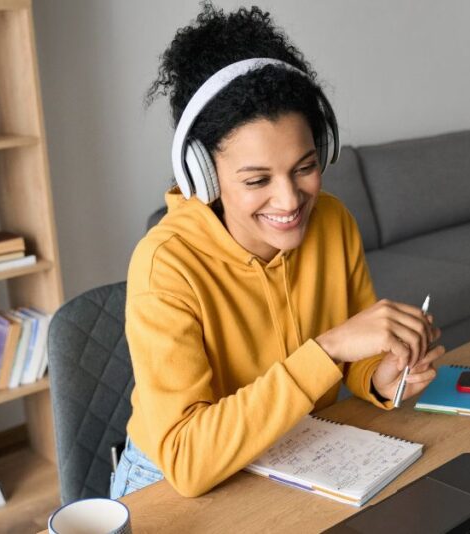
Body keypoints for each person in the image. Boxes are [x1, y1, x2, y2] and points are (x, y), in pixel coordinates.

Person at [112, 3, 444, 499]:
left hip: (297, 450)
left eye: (305, 167)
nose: (290, 200)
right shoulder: (166, 266)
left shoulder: (332, 221)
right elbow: (186, 458)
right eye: (257, 180)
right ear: (204, 178)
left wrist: (381, 374)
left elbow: (354, 359)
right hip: (172, 483)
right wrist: (328, 349)